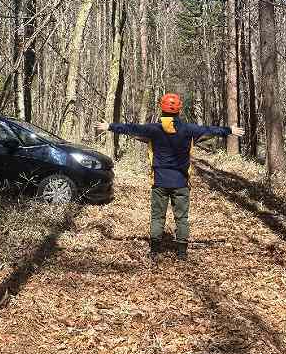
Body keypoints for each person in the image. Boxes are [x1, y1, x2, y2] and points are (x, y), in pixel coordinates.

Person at [95, 93, 245, 261]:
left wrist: (110, 126)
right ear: (179, 109)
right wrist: (229, 130)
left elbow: (131, 128)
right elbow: (210, 130)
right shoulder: (188, 130)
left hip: (159, 181)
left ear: (162, 108)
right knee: (182, 218)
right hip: (181, 182)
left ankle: (155, 251)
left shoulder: (153, 129)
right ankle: (181, 252)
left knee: (158, 216)